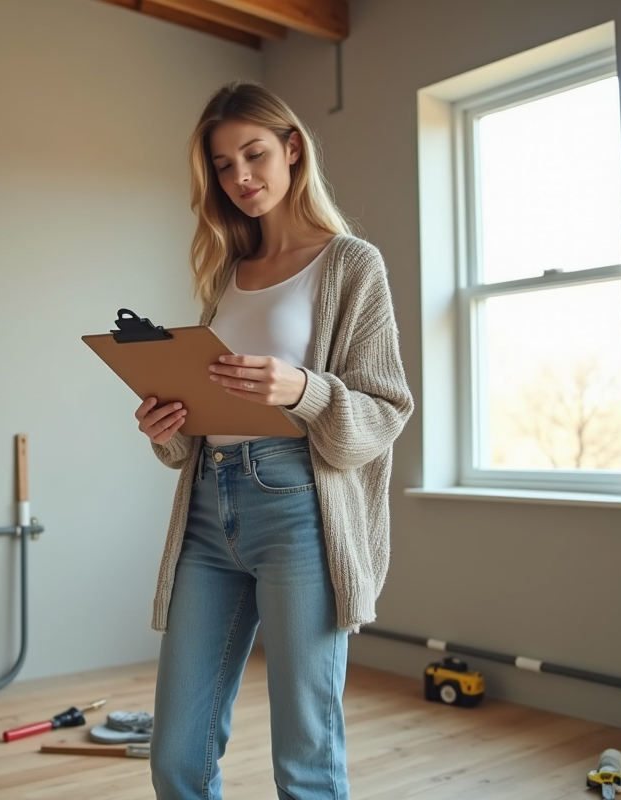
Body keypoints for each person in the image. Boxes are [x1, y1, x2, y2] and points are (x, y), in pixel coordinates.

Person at [133, 81, 414, 800]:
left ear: (293, 149)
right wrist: (168, 425)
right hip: (205, 510)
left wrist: (303, 390)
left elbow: (386, 410)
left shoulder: (352, 264)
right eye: (223, 166)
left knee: (305, 758)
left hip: (298, 512)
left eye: (253, 154)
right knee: (175, 758)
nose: (240, 178)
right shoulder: (227, 274)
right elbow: (203, 414)